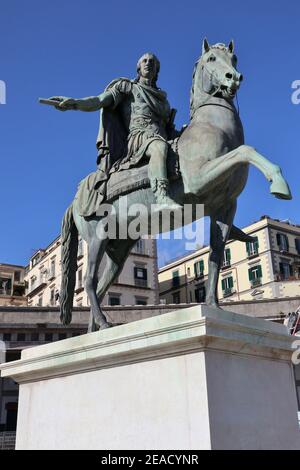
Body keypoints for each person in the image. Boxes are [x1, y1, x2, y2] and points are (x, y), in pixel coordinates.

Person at [50, 52, 181, 209]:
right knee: (158, 147)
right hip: (140, 138)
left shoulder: (163, 100)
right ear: (138, 68)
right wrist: (75, 103)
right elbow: (100, 100)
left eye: (152, 62)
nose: (148, 63)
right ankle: (161, 196)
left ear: (157, 70)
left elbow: (168, 128)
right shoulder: (128, 88)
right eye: (144, 61)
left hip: (161, 137)